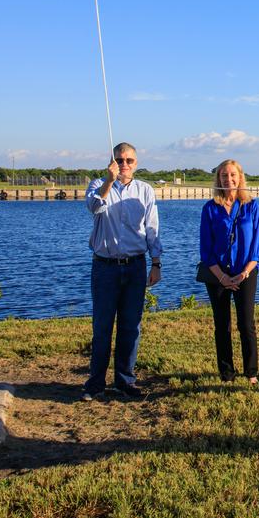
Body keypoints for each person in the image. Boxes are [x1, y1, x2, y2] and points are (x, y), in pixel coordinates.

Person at [82, 142, 162, 401]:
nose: (124, 164)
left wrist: (156, 263)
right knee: (102, 328)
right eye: (120, 160)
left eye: (129, 160)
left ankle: (125, 382)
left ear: (136, 164)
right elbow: (95, 207)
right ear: (112, 162)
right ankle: (95, 384)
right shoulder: (98, 185)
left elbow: (152, 229)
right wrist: (109, 181)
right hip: (105, 268)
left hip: (136, 267)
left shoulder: (145, 191)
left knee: (131, 327)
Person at [198, 159, 259, 384]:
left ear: (240, 177)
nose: (229, 179)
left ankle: (251, 373)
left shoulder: (251, 206)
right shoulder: (210, 208)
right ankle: (227, 373)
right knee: (222, 324)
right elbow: (205, 251)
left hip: (246, 273)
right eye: (224, 175)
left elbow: (257, 248)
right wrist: (222, 277)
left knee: (246, 324)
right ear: (218, 179)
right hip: (217, 275)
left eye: (233, 175)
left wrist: (244, 273)